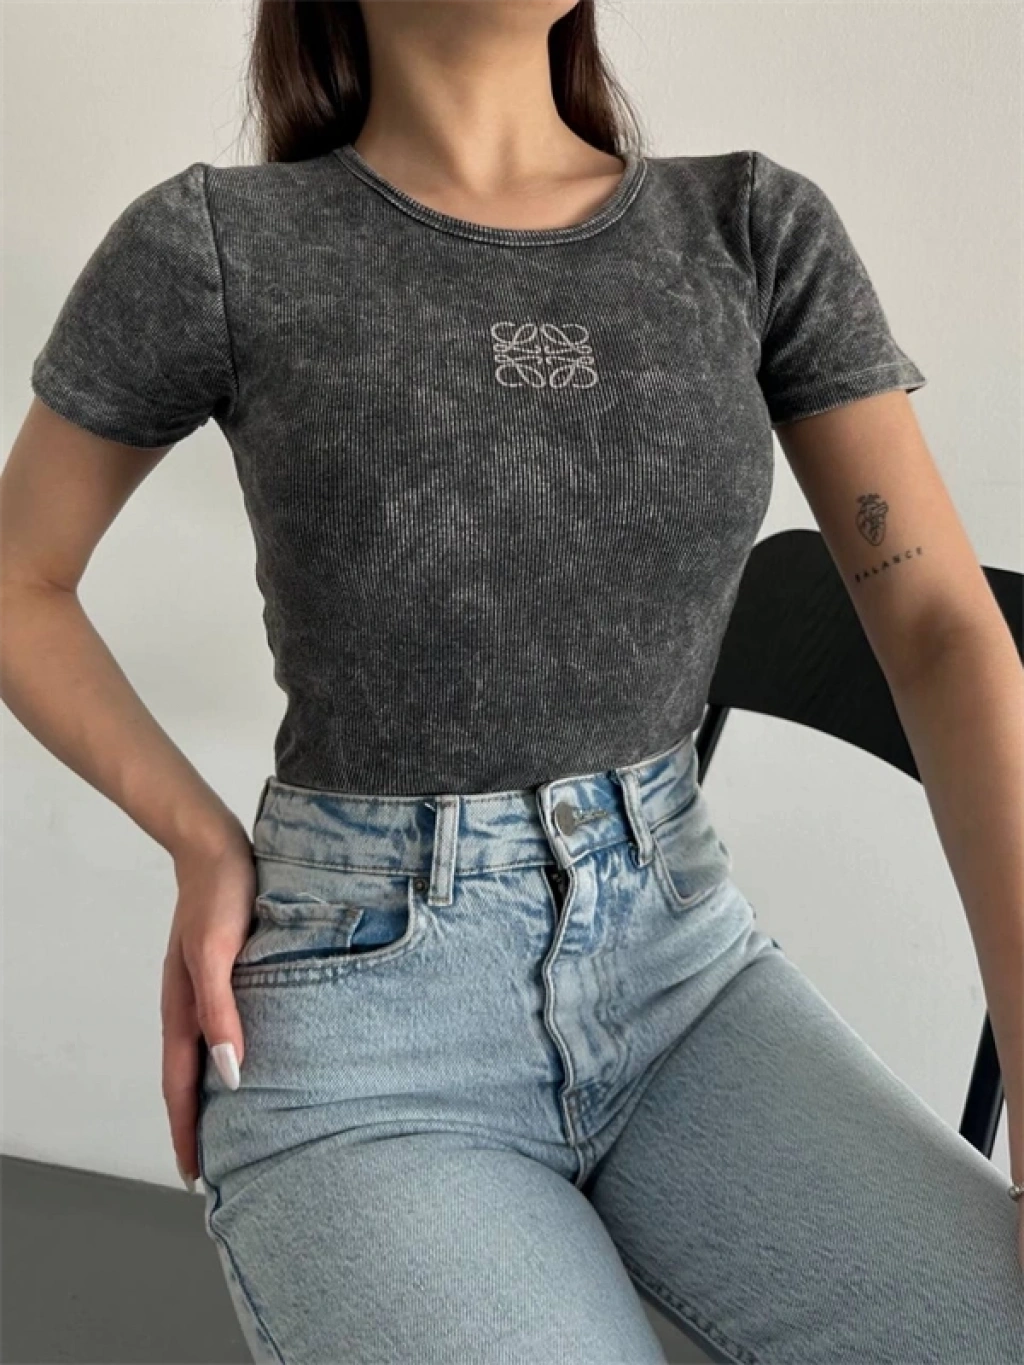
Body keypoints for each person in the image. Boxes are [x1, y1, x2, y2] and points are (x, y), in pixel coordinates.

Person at [3, 2, 1022, 1362]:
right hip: (367, 1028)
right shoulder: (218, 248)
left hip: (688, 978)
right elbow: (19, 579)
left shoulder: (752, 229)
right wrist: (202, 841)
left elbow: (941, 629)